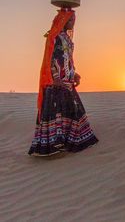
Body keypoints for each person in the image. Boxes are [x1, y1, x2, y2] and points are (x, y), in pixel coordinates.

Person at [28, 9, 98, 156]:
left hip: (67, 81)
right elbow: (51, 60)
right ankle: (54, 146)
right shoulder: (54, 38)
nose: (73, 23)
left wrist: (75, 74)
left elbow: (68, 59)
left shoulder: (67, 38)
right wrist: (55, 78)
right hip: (56, 84)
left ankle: (68, 142)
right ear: (63, 21)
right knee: (58, 113)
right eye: (71, 19)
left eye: (74, 19)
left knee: (74, 111)